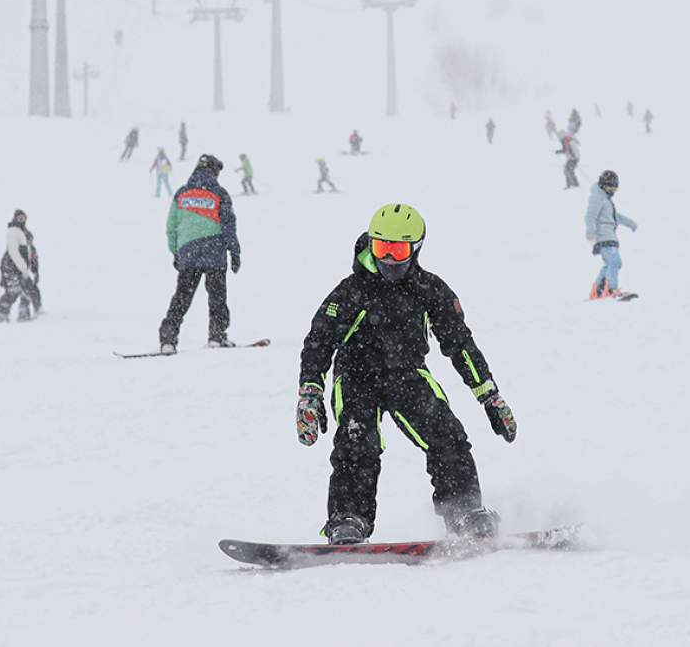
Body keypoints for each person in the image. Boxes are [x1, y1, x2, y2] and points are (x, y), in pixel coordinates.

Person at [295, 204, 517, 545]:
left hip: (407, 374)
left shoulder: (430, 289)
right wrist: (310, 393)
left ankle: (464, 512)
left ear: (416, 248)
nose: (387, 260)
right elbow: (319, 341)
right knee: (358, 443)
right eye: (381, 248)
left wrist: (490, 397)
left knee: (447, 435)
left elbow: (460, 345)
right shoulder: (351, 291)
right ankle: (348, 519)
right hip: (356, 377)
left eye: (397, 250)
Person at [158, 154, 240, 353]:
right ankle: (216, 336)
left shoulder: (182, 193)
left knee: (181, 298)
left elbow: (171, 227)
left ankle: (168, 340)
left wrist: (176, 253)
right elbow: (229, 226)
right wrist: (234, 252)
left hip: (189, 253)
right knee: (217, 297)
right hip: (214, 251)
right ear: (213, 171)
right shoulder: (220, 193)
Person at [585, 170, 638, 299]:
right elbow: (589, 217)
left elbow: (615, 217)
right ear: (603, 185)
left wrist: (630, 223)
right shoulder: (597, 198)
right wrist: (591, 236)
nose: (612, 190)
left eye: (615, 188)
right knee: (615, 262)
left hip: (610, 237)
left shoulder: (605, 199)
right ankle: (611, 290)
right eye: (610, 187)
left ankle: (598, 290)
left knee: (610, 263)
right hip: (603, 237)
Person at [0, 209, 42, 322]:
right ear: (15, 218)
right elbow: (13, 252)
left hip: (21, 269)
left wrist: (35, 271)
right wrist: (24, 268)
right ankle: (0, 315)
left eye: (24, 218)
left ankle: (25, 314)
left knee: (31, 290)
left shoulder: (25, 235)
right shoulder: (13, 231)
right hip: (11, 267)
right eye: (19, 218)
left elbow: (33, 257)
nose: (21, 220)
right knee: (13, 291)